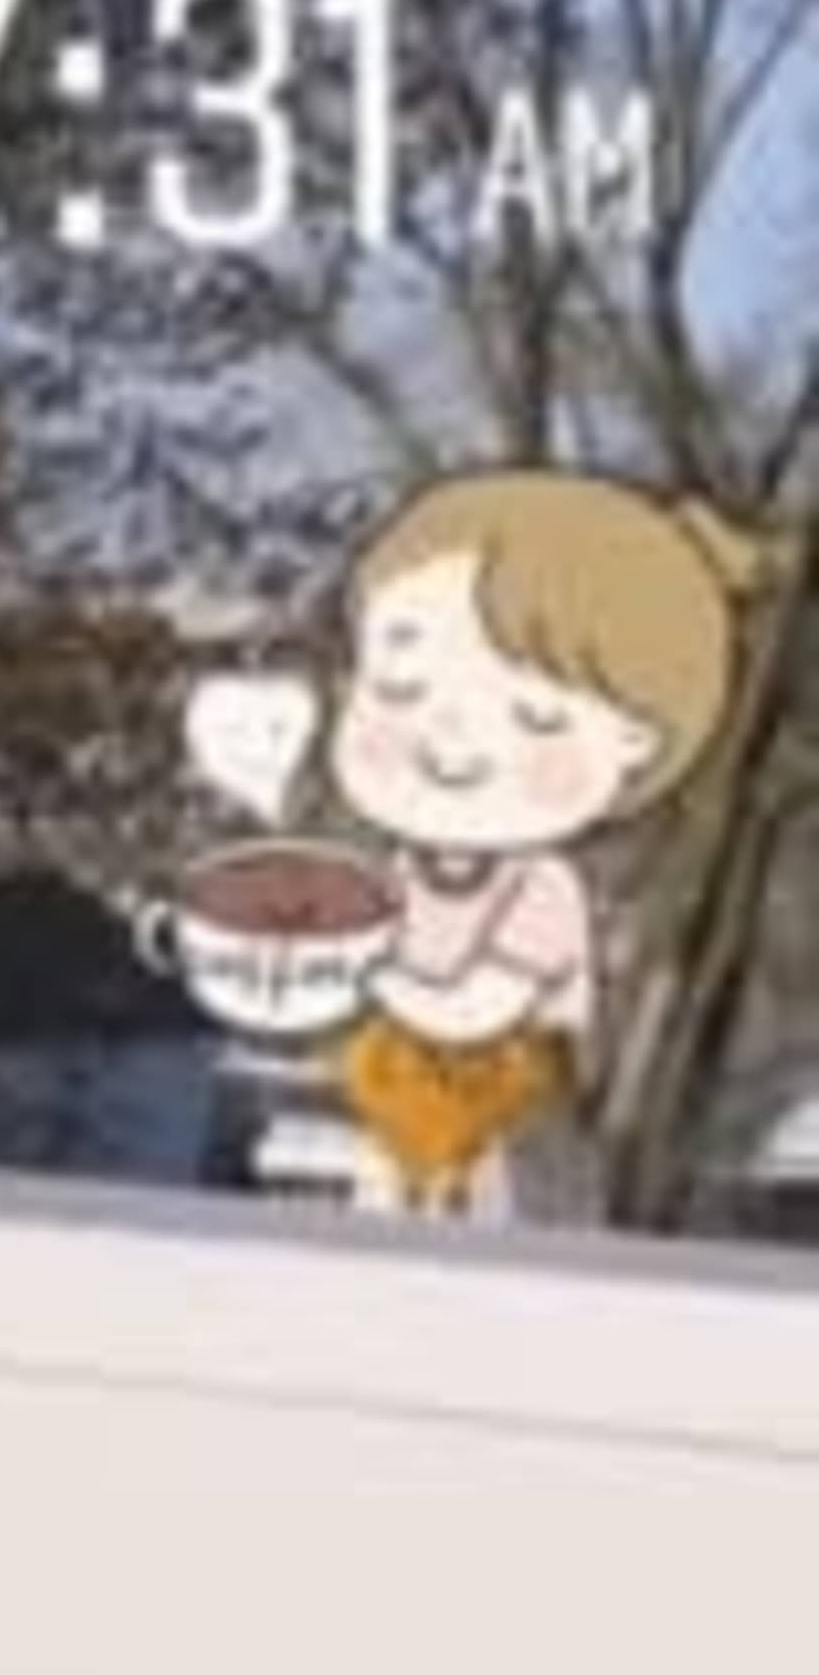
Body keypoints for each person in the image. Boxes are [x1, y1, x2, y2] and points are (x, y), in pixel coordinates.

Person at [322, 465, 767, 1218]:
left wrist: (359, 968)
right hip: (396, 1111)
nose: (451, 742)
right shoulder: (401, 865)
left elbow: (486, 999)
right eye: (401, 690)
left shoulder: (544, 888)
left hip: (504, 1122)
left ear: (636, 744)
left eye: (535, 719)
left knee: (487, 1228)